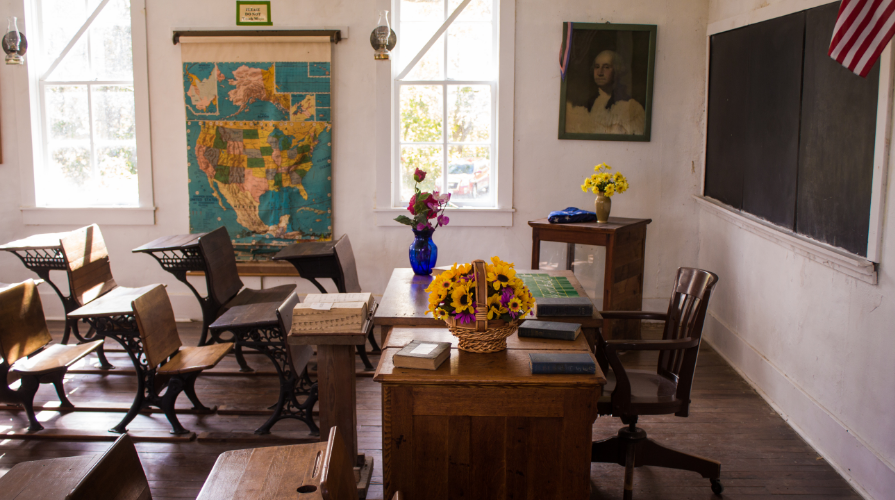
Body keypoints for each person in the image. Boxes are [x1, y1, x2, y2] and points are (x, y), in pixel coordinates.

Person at [565, 50, 646, 135]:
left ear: (616, 70)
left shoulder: (632, 107)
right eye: (597, 67)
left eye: (606, 67)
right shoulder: (583, 105)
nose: (600, 73)